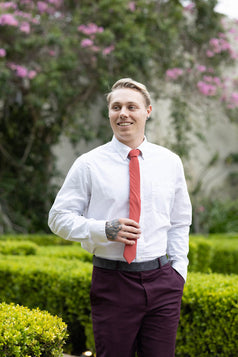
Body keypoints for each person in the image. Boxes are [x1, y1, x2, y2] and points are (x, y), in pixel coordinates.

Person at [48, 78, 192, 357]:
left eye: (131, 106)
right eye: (116, 107)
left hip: (163, 281)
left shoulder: (170, 162)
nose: (123, 113)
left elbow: (179, 221)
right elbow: (58, 217)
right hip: (113, 282)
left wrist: (178, 273)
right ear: (109, 113)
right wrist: (104, 229)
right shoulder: (89, 164)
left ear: (147, 111)